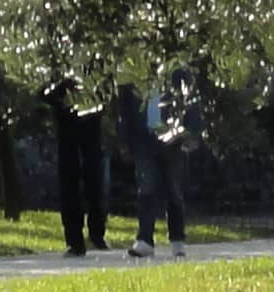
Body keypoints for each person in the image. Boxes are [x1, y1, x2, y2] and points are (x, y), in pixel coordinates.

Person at [117, 73, 190, 257]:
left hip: (173, 138)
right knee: (147, 187)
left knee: (173, 189)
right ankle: (145, 240)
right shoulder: (133, 71)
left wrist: (192, 132)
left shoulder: (175, 71)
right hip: (143, 137)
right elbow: (124, 110)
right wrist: (124, 141)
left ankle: (177, 239)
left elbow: (190, 100)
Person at [45, 72, 107, 257]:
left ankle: (96, 233)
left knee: (93, 179)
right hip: (67, 127)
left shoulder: (92, 63)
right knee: (70, 183)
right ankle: (75, 240)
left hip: (89, 125)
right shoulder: (54, 61)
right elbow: (42, 91)